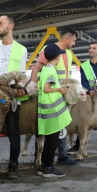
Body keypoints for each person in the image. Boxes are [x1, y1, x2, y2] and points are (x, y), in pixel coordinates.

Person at [0, 15, 27, 179]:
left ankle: (13, 166)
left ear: (11, 26)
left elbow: (20, 75)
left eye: (0, 23)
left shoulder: (21, 49)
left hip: (12, 98)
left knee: (14, 132)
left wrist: (15, 89)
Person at [31, 27, 79, 165]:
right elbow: (36, 68)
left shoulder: (68, 54)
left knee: (61, 125)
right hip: (50, 96)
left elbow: (67, 77)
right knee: (45, 127)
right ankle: (38, 156)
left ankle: (62, 155)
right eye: (74, 41)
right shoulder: (48, 49)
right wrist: (33, 88)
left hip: (62, 95)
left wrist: (70, 96)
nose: (74, 44)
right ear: (67, 39)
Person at [37, 44, 72, 177]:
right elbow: (47, 88)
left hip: (47, 111)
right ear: (57, 58)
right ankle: (49, 167)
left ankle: (44, 166)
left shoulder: (45, 69)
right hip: (52, 111)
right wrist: (60, 89)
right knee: (52, 141)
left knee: (50, 140)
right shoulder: (51, 71)